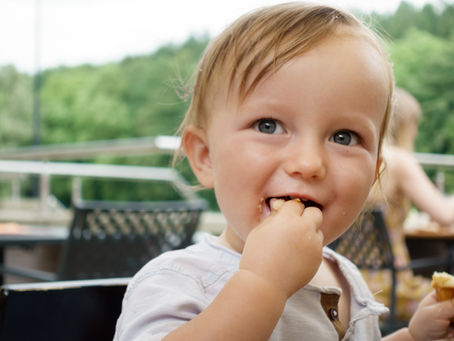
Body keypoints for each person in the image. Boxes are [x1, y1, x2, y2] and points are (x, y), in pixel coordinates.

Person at [114, 3, 454, 340]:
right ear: (205, 157)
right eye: (268, 125)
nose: (308, 163)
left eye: (344, 137)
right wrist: (263, 284)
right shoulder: (179, 281)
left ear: (374, 174)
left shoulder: (346, 277)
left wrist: (413, 336)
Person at [364, 88, 454, 320]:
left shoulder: (360, 158)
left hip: (346, 286)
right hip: (393, 292)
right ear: (405, 124)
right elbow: (444, 215)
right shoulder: (399, 161)